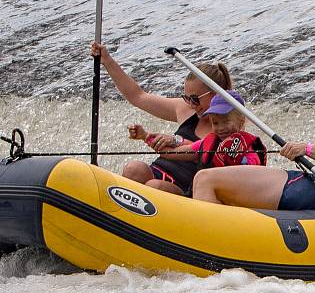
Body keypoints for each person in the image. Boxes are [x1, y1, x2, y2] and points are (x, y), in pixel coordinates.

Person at [90, 42, 232, 194]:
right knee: (134, 168)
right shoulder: (186, 109)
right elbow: (138, 96)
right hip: (158, 172)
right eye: (187, 98)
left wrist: (175, 140)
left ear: (216, 94)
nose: (191, 104)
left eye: (195, 99)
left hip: (185, 190)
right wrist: (107, 60)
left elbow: (204, 151)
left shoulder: (229, 125)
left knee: (154, 186)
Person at [129, 91, 267, 194]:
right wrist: (146, 136)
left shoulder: (251, 147)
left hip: (227, 206)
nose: (221, 128)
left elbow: (255, 174)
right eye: (215, 123)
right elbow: (173, 153)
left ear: (241, 121)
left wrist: (238, 158)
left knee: (155, 186)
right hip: (196, 200)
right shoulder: (207, 143)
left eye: (226, 121)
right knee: (136, 171)